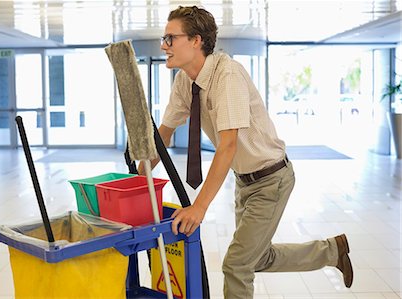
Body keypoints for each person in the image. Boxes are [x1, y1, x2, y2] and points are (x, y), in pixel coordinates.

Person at [139, 5, 353, 298]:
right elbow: (164, 134)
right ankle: (332, 251)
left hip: (272, 178)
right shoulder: (184, 81)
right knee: (257, 258)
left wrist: (199, 207)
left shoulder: (228, 76)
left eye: (170, 38)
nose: (164, 46)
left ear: (196, 41)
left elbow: (228, 146)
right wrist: (141, 172)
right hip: (245, 181)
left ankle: (331, 252)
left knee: (237, 265)